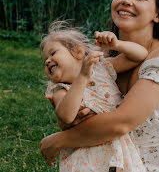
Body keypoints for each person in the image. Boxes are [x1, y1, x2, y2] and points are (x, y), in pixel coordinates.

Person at [40, 0, 159, 172]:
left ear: (158, 15)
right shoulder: (99, 56)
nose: (127, 1)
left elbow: (121, 122)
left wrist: (57, 141)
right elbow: (72, 110)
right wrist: (72, 115)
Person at [41, 21, 148, 171]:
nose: (47, 61)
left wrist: (117, 45)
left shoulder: (102, 67)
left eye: (53, 53)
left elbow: (140, 55)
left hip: (116, 144)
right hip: (85, 153)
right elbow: (65, 115)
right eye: (45, 60)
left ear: (77, 51)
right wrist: (82, 77)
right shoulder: (61, 89)